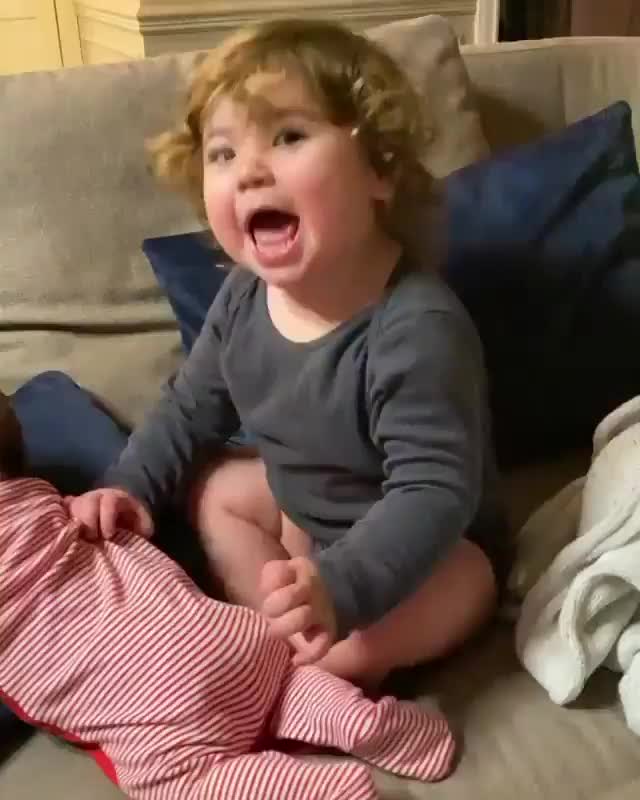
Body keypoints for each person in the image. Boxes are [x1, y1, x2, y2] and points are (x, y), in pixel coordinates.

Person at [70, 18, 505, 687]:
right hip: (306, 520)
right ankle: (279, 626)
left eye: (288, 137)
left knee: (457, 583)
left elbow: (432, 492)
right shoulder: (243, 297)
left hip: (427, 552)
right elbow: (190, 409)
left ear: (380, 169)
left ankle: (312, 658)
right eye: (222, 153)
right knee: (217, 490)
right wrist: (130, 485)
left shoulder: (415, 326)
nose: (249, 172)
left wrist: (342, 585)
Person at [0, 390, 455, 798]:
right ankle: (364, 722)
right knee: (282, 687)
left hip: (160, 707)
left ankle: (317, 791)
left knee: (173, 782)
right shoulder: (44, 500)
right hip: (236, 638)